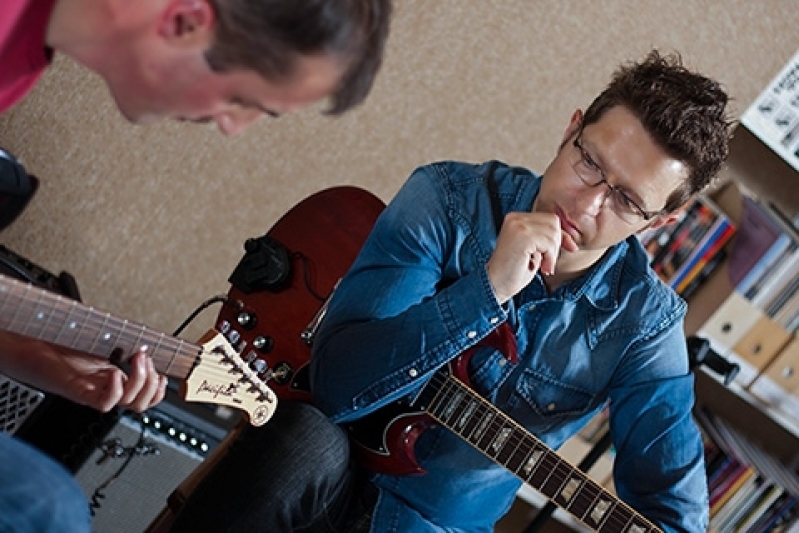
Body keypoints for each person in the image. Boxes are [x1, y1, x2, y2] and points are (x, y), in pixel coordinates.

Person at [170, 50, 732, 532]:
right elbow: (335, 385)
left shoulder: (644, 327)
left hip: (435, 525)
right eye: (589, 162)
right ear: (571, 128)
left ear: (658, 223)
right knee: (304, 440)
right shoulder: (448, 199)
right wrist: (485, 292)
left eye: (627, 202)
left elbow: (672, 513)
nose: (585, 205)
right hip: (318, 462)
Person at [0, 1, 394, 531]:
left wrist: (38, 360)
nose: (231, 128)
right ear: (187, 20)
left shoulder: (19, 65)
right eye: (240, 99)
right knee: (48, 509)